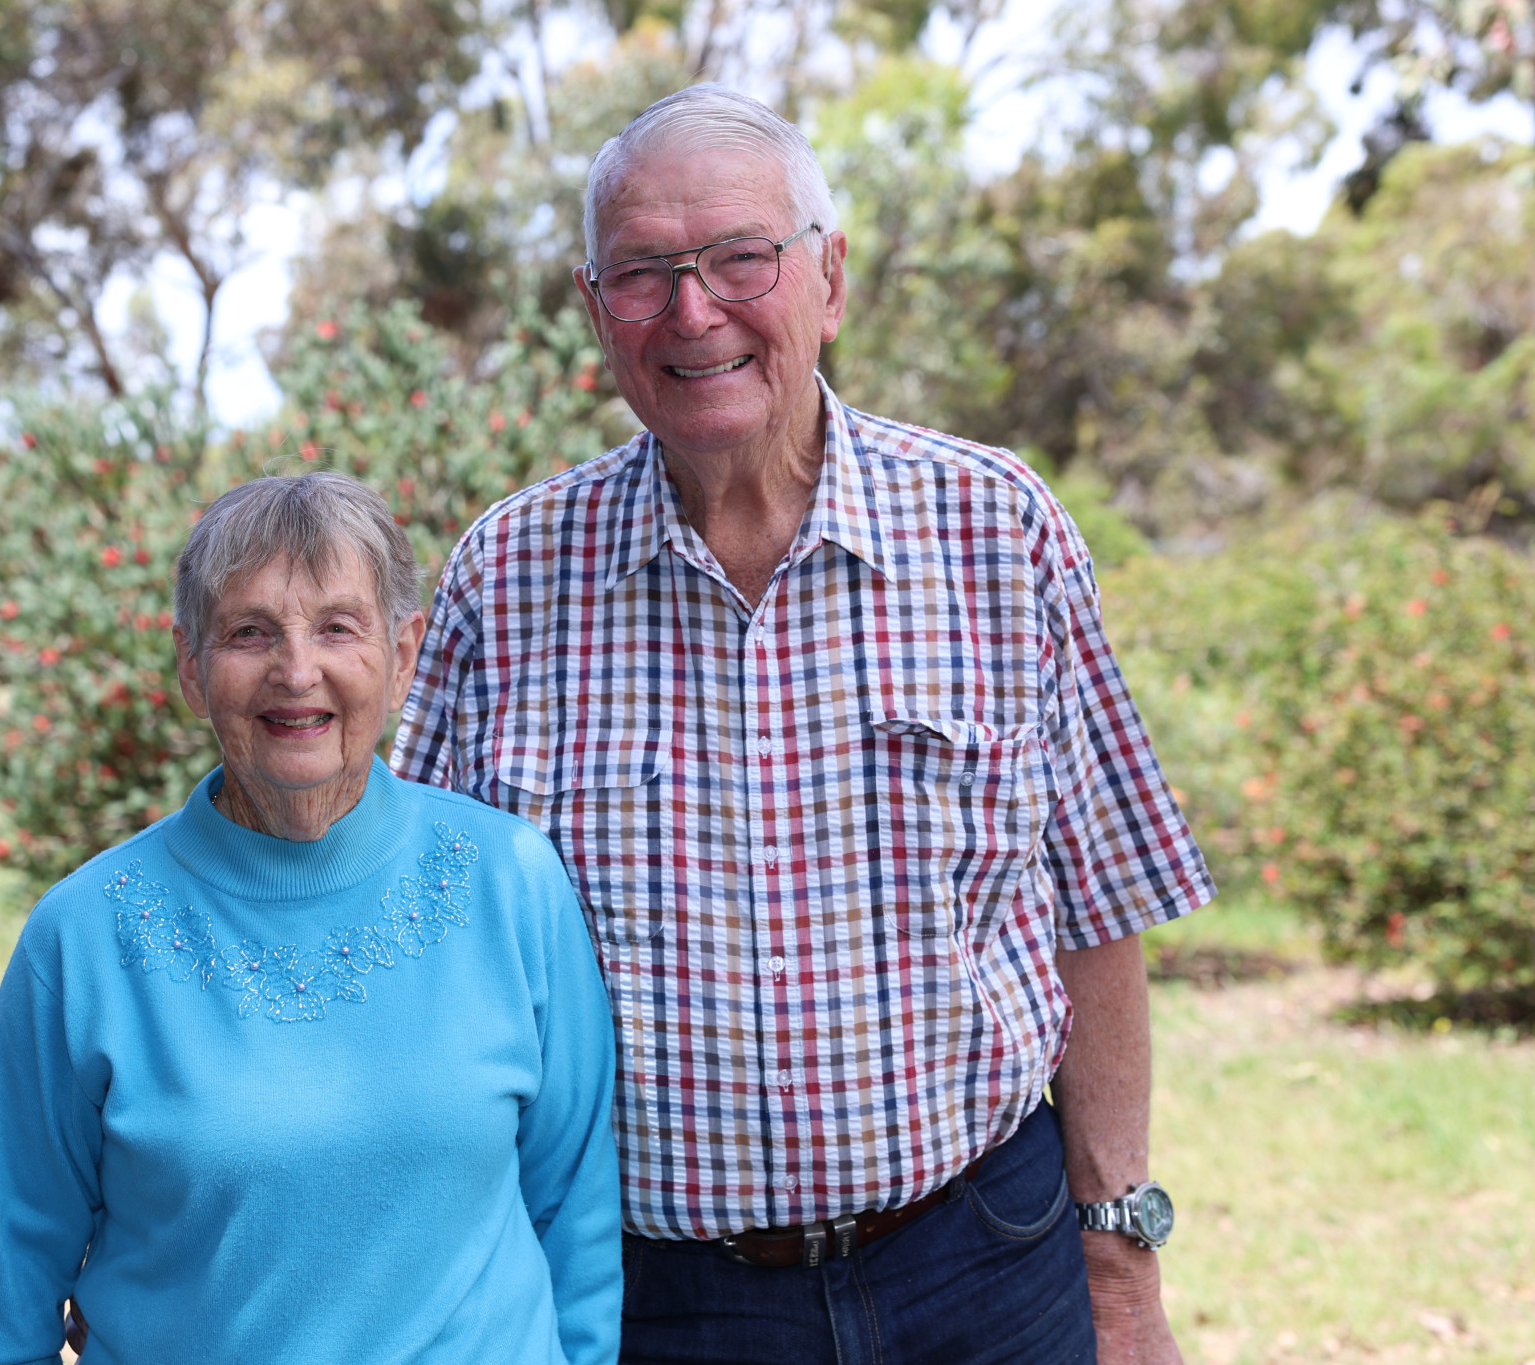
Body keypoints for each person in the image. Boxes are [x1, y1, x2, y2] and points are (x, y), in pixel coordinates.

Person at [392, 85, 1214, 1365]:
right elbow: (409, 956)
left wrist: (1118, 1267)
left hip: (985, 1263)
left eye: (737, 258)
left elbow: (1094, 908)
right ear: (592, 310)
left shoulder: (995, 530)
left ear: (827, 279)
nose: (692, 310)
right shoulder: (505, 580)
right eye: (643, 274)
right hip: (657, 1302)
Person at [0, 473, 622, 1365]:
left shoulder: (511, 884)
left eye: (338, 626)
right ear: (189, 664)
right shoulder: (84, 937)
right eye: (251, 632)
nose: (297, 671)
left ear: (404, 655)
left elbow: (576, 1219)